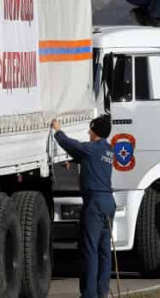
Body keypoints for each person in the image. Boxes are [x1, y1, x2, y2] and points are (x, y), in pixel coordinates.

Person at [51, 114, 115, 298]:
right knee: (104, 251)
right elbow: (90, 159)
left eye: (90, 129)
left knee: (90, 250)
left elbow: (70, 144)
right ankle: (102, 291)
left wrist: (58, 130)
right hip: (108, 202)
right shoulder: (108, 150)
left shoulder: (91, 149)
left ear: (96, 132)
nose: (88, 132)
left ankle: (89, 294)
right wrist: (73, 162)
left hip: (94, 203)